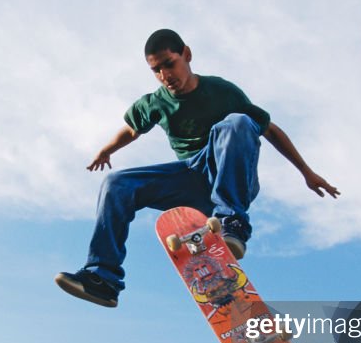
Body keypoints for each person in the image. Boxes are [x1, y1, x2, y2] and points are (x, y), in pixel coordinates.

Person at [56, 29, 339, 308]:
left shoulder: (222, 91)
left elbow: (270, 129)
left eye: (170, 64)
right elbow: (131, 130)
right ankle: (102, 279)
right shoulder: (155, 103)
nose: (166, 76)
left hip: (228, 173)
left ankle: (233, 222)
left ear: (187, 55)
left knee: (236, 123)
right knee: (116, 183)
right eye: (156, 70)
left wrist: (306, 172)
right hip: (190, 179)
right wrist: (107, 150)